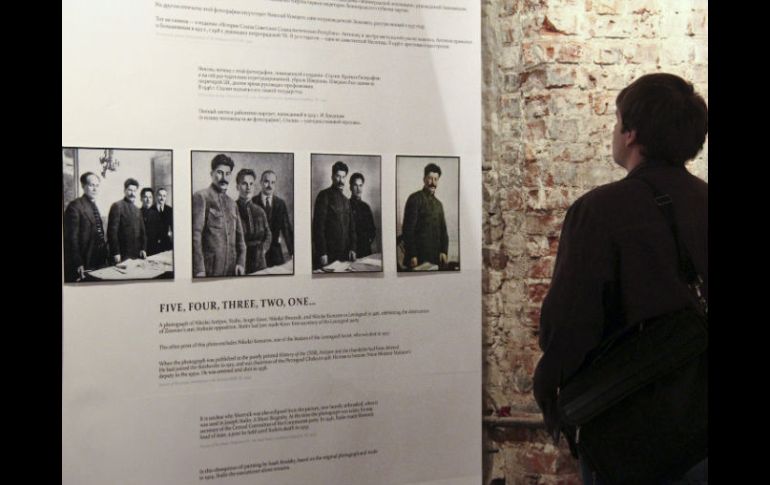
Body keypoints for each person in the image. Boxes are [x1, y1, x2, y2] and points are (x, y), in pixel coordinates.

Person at [532, 73, 708, 484]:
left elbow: (568, 324)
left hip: (627, 426)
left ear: (631, 134)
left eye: (616, 121)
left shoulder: (599, 210)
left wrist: (550, 390)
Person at [191, 154, 246, 277]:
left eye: (227, 174)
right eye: (220, 173)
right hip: (209, 270)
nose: (224, 178)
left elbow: (240, 240)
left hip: (231, 269)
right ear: (212, 174)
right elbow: (195, 236)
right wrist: (199, 269)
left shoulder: (232, 204)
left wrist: (241, 263)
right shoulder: (201, 197)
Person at [401, 163, 448, 269]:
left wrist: (444, 251)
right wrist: (412, 255)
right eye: (430, 178)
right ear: (424, 179)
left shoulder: (439, 204)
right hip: (417, 258)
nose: (433, 183)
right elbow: (407, 230)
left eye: (436, 179)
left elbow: (443, 231)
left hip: (435, 258)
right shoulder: (414, 199)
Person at [63, 172, 109, 282]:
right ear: (83, 186)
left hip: (99, 260)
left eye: (97, 185)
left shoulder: (94, 205)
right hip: (84, 261)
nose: (95, 189)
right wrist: (78, 262)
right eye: (91, 185)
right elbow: (71, 239)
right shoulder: (75, 206)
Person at [312, 161, 356, 269]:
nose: (341, 180)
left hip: (345, 255)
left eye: (343, 177)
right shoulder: (323, 196)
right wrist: (322, 252)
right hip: (328, 255)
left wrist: (353, 248)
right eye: (338, 176)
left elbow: (352, 228)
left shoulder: (346, 201)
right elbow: (318, 227)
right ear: (332, 177)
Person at [253, 169, 293, 267]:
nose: (269, 185)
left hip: (276, 252)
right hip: (258, 252)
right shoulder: (253, 202)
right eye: (266, 181)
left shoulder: (280, 203)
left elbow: (286, 229)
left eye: (273, 182)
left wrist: (292, 252)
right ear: (261, 182)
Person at [235, 168, 272, 274]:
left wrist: (263, 250)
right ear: (237, 187)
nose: (248, 187)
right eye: (244, 184)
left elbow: (268, 234)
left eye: (251, 184)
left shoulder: (260, 211)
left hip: (260, 261)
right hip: (241, 262)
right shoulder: (232, 209)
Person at [107, 178, 147, 264]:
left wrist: (143, 248)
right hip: (122, 254)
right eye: (130, 190)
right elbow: (112, 232)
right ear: (124, 190)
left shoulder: (137, 210)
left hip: (137, 253)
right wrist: (116, 252)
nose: (132, 193)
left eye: (134, 191)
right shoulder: (117, 206)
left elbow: (143, 232)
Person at [349, 172, 376, 258]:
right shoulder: (346, 205)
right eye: (355, 185)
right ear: (350, 187)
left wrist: (368, 241)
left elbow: (372, 230)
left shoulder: (366, 207)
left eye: (360, 185)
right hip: (351, 251)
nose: (358, 189)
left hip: (365, 250)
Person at [140, 188, 163, 256]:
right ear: (141, 199)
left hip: (154, 249)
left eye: (150, 197)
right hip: (141, 250)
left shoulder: (156, 214)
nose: (148, 200)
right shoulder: (137, 213)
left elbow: (160, 233)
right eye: (145, 197)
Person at [155, 187, 173, 252]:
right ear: (156, 196)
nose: (162, 198)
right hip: (154, 243)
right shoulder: (151, 209)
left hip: (166, 242)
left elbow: (172, 226)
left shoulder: (170, 210)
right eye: (160, 195)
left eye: (164, 196)